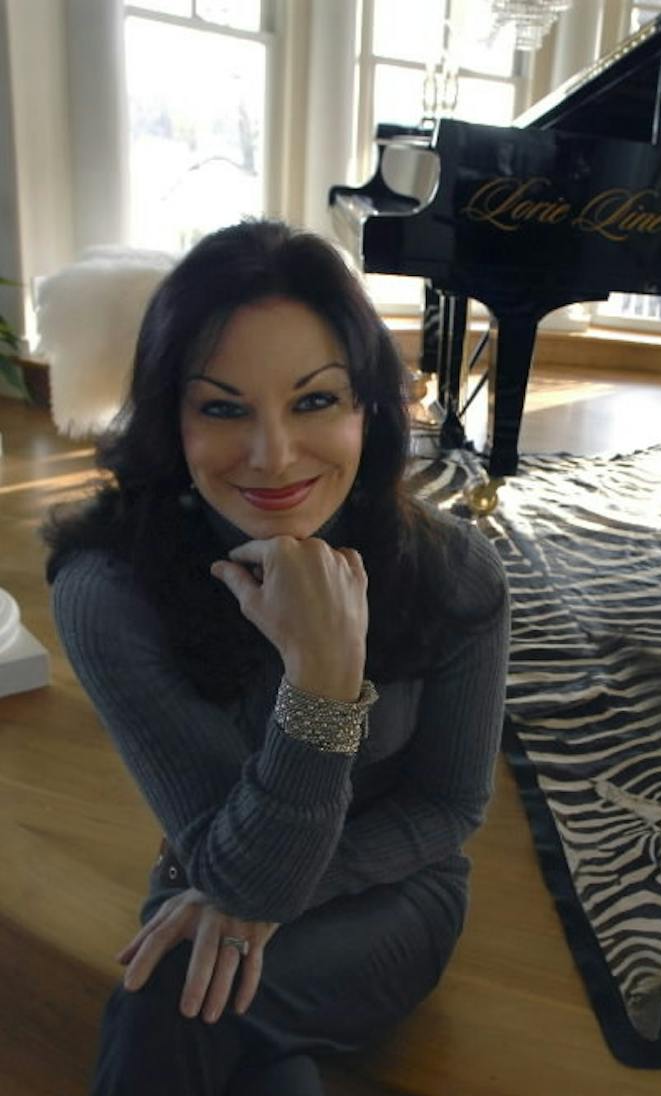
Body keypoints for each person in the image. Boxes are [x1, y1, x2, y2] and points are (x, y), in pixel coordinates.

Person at [45, 220, 510, 1095]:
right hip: (213, 870)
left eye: (314, 401)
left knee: (177, 993)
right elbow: (234, 867)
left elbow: (448, 809)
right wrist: (322, 683)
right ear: (169, 418)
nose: (274, 456)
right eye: (223, 408)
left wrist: (254, 901)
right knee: (221, 1030)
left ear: (369, 406)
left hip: (391, 894)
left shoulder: (453, 570)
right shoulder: (108, 589)